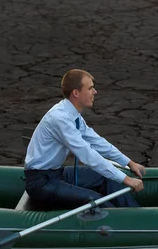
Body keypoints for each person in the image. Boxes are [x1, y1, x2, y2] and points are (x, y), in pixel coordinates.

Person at [24, 69, 145, 209]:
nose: (95, 92)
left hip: (56, 174)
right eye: (90, 88)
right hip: (41, 183)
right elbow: (87, 155)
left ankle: (134, 215)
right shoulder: (59, 118)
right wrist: (126, 179)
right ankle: (126, 224)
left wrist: (129, 162)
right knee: (95, 200)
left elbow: (96, 142)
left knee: (108, 177)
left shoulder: (72, 115)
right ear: (76, 93)